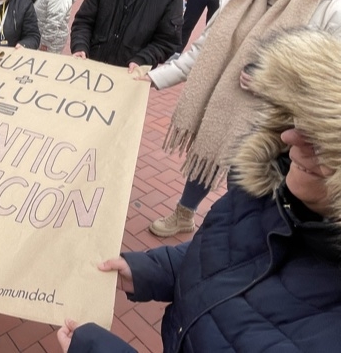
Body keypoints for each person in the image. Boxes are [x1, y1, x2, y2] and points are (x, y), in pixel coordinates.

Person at [55, 27, 341, 353]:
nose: (290, 138)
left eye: (319, 139)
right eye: (296, 120)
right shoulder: (265, 196)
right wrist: (149, 270)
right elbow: (217, 256)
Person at [144, 0, 341, 237]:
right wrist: (153, 78)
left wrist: (276, 85)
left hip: (279, 121)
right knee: (206, 152)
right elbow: (202, 51)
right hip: (226, 102)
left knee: (249, 178)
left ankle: (236, 236)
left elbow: (330, 83)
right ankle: (184, 214)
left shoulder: (328, 8)